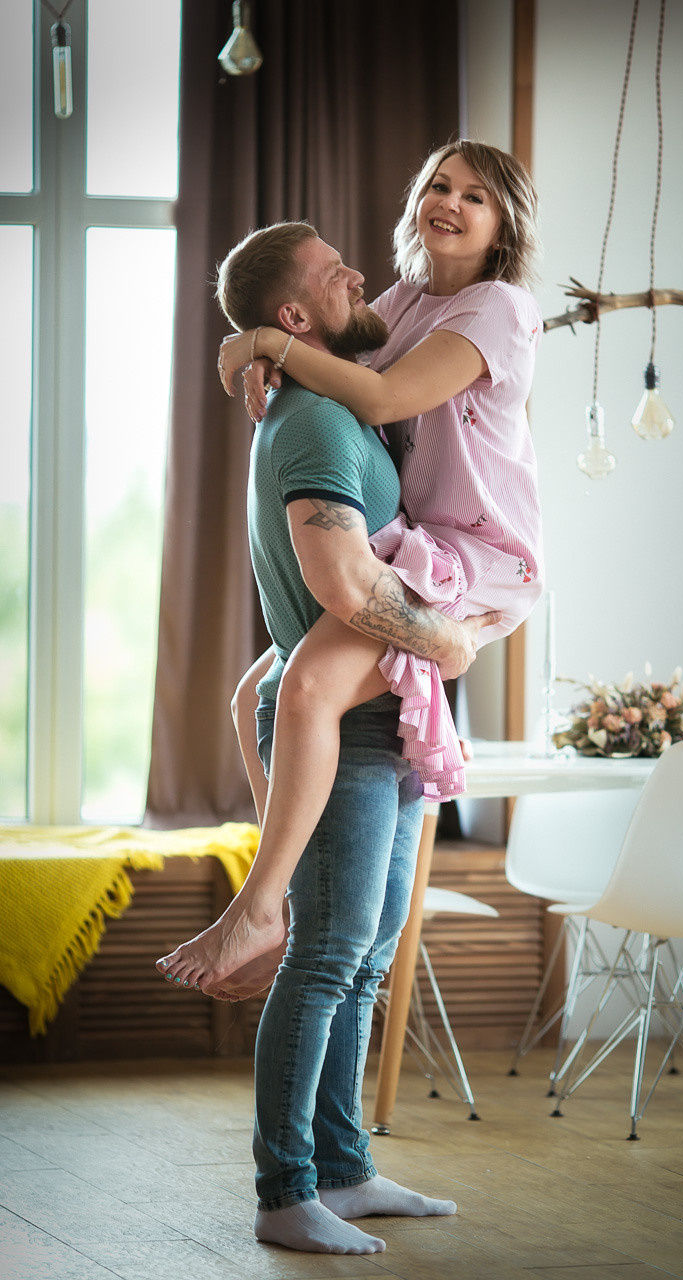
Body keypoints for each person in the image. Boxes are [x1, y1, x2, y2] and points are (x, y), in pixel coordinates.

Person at [161, 219, 497, 1254]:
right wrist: (448, 638)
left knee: (356, 960)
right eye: (331, 269)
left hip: (376, 722)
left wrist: (253, 347)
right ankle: (285, 1187)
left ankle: (342, 1168)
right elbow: (341, 585)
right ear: (297, 314)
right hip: (344, 730)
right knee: (326, 957)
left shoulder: (331, 396)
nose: (360, 272)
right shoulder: (310, 421)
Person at [157, 141, 544, 999]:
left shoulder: (500, 309)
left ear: (501, 224)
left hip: (474, 554)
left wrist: (262, 338)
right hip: (413, 547)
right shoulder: (402, 302)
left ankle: (262, 904)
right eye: (436, 185)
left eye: (474, 197)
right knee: (250, 694)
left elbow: (376, 400)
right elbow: (335, 352)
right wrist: (270, 346)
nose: (448, 202)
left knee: (306, 689)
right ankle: (285, 892)